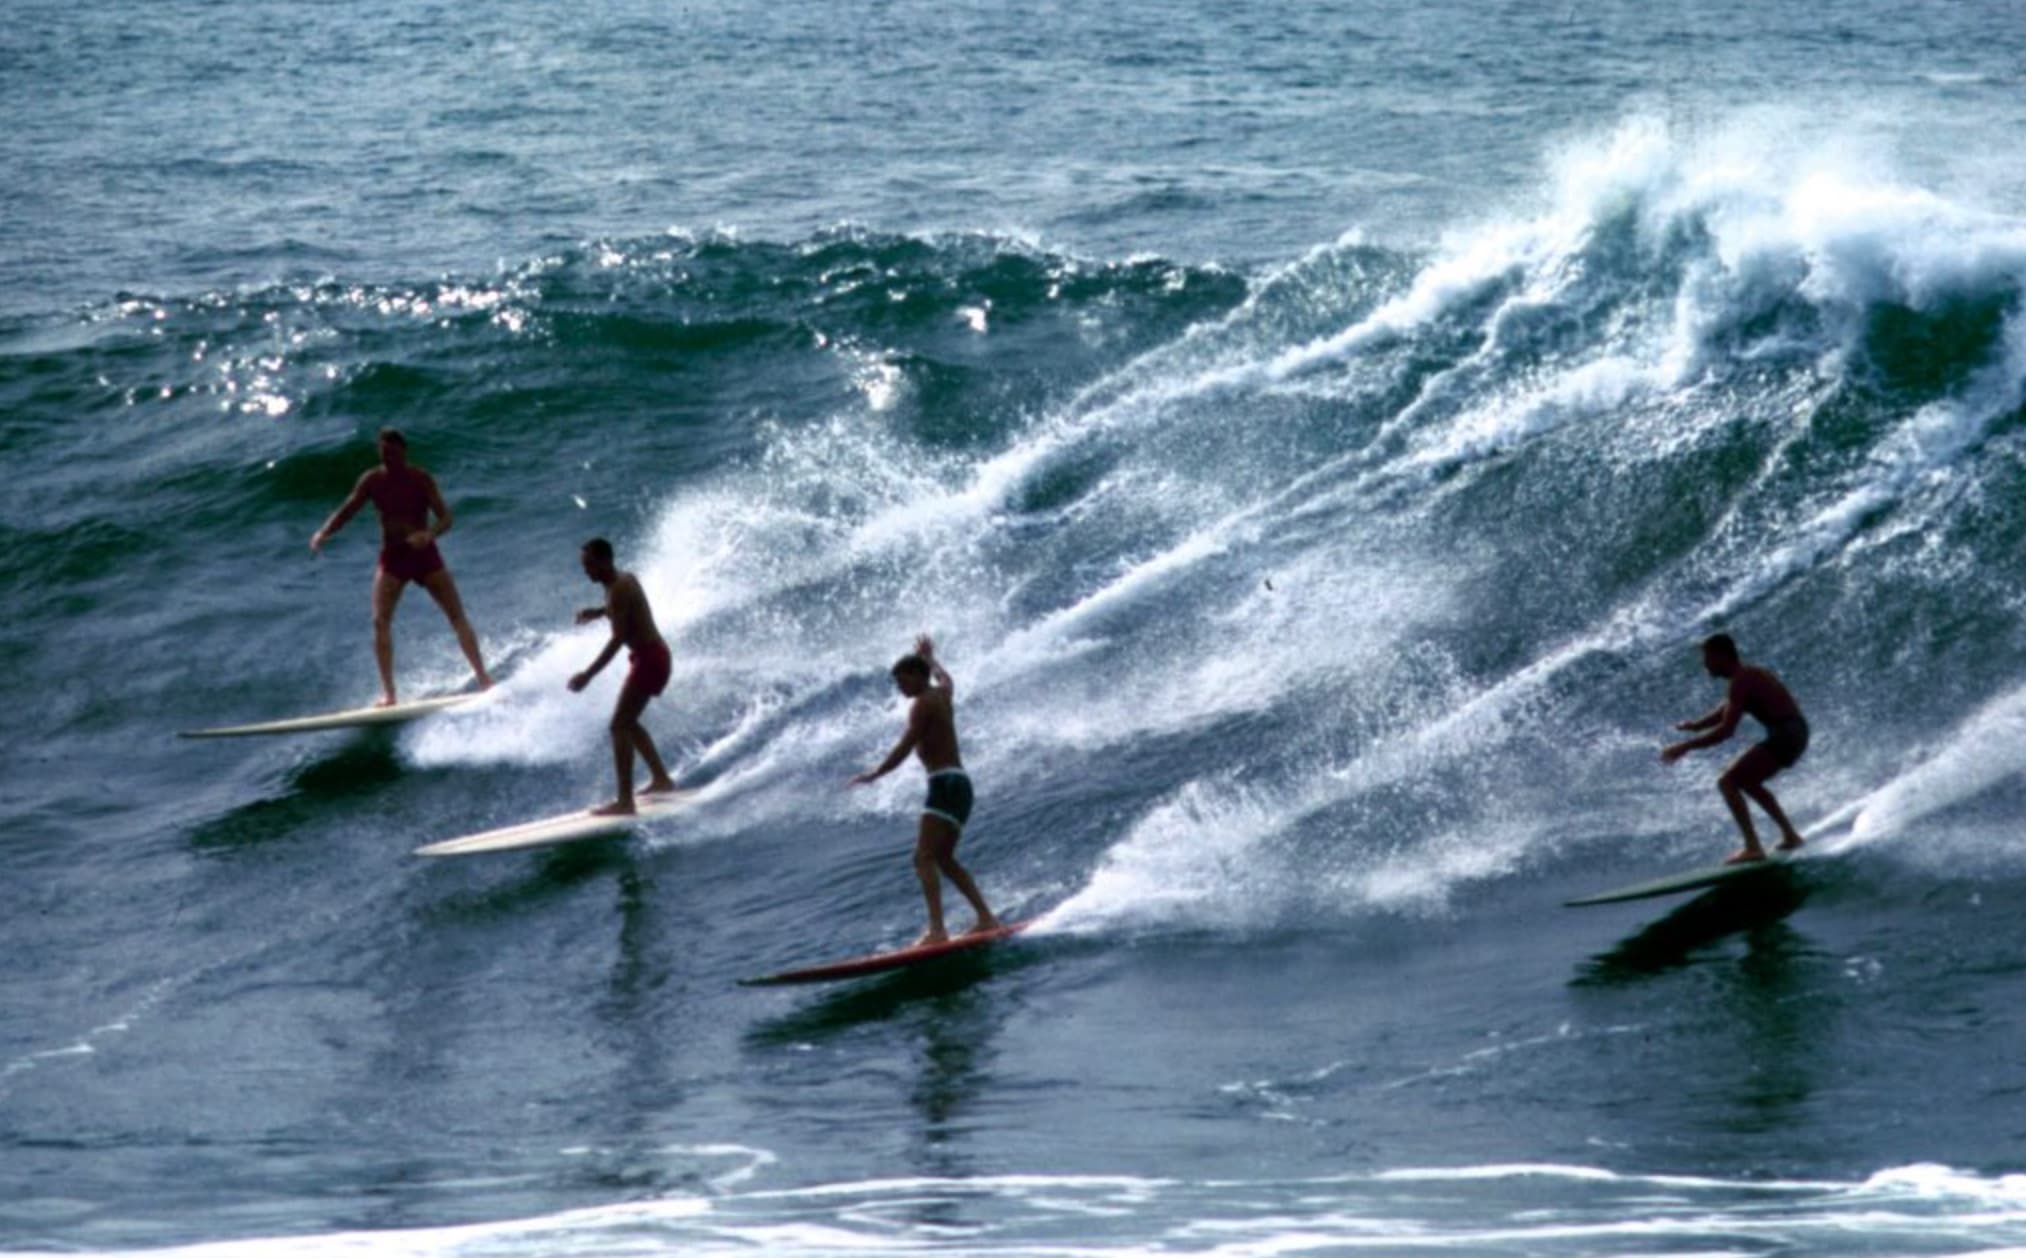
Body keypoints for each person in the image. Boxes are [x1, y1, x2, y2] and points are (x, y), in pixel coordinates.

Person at [310, 427, 492, 706]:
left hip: (424, 554)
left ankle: (483, 679)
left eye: (393, 453)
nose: (389, 458)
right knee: (379, 621)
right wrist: (324, 532)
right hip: (393, 557)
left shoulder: (420, 478)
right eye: (383, 453)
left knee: (456, 616)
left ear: (403, 452)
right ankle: (390, 694)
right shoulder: (372, 480)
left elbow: (446, 518)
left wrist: (429, 534)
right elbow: (348, 509)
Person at [850, 635, 1001, 945]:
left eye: (904, 682)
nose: (901, 689)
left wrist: (876, 773)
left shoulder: (922, 705)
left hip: (944, 784)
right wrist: (931, 660)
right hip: (959, 784)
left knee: (923, 858)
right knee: (943, 858)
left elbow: (906, 745)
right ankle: (986, 918)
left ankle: (937, 931)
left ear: (918, 677)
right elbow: (947, 679)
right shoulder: (942, 695)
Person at [1661, 632, 1810, 864]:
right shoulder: (1744, 677)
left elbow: (1726, 731)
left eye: (1707, 658)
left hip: (1786, 733)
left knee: (1728, 782)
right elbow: (1724, 711)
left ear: (1721, 656)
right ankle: (1790, 836)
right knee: (1748, 781)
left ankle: (1753, 847)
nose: (1704, 665)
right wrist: (1695, 726)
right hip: (1793, 731)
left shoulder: (1742, 679)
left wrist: (1686, 747)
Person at [568, 537, 678, 816]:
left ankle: (625, 802)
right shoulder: (623, 581)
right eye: (584, 565)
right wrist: (598, 612)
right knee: (628, 722)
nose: (586, 571)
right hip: (653, 656)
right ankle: (662, 780)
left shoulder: (618, 588)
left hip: (650, 660)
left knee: (619, 726)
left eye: (590, 565)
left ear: (605, 561)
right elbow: (622, 611)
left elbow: (617, 639)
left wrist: (587, 675)